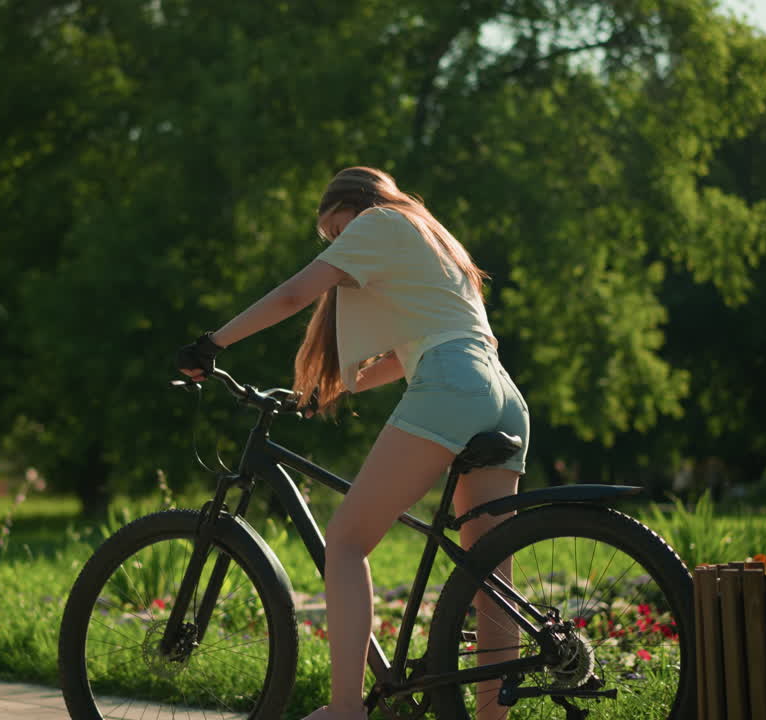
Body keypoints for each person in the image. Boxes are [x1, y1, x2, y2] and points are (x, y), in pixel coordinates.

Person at [176, 166, 530, 720]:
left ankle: (346, 710)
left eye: (337, 232)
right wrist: (338, 386)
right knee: (488, 578)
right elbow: (410, 350)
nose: (339, 246)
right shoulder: (433, 234)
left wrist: (211, 343)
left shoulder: (379, 220)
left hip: (452, 384)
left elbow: (295, 294)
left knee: (344, 542)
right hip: (501, 392)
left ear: (354, 203)